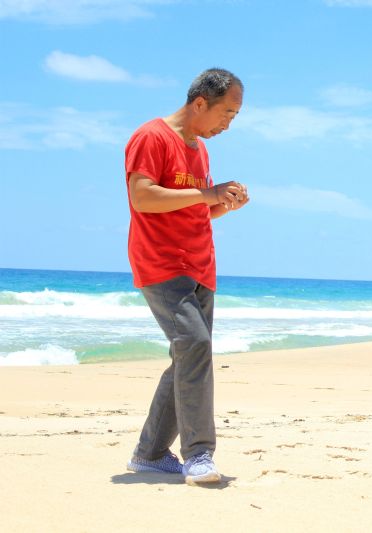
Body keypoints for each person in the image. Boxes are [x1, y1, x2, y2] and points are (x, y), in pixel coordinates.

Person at [123, 68, 249, 485]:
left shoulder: (199, 149)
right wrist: (208, 194)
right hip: (161, 264)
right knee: (195, 347)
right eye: (226, 114)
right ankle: (198, 454)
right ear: (200, 103)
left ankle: (150, 453)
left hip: (200, 265)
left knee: (186, 356)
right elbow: (142, 197)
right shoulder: (151, 137)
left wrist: (223, 203)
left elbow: (195, 206)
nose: (228, 124)